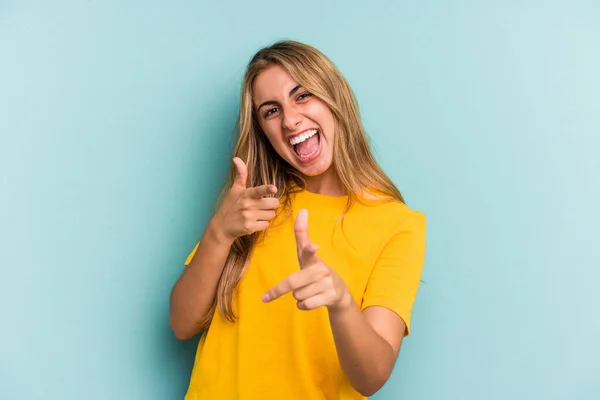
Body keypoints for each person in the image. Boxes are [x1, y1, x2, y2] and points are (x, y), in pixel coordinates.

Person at [169, 40, 427, 400]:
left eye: (302, 95)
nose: (290, 120)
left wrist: (340, 301)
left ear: (335, 99)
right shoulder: (253, 205)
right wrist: (219, 232)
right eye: (270, 111)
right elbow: (181, 324)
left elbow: (371, 378)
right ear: (262, 130)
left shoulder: (399, 224)